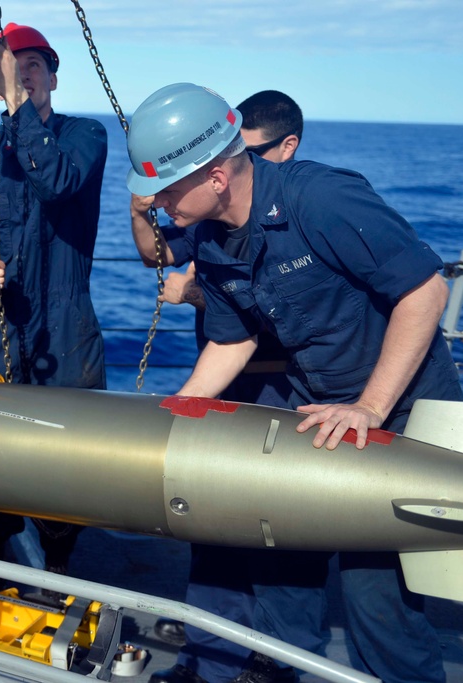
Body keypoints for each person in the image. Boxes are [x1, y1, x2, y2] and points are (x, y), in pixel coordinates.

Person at [126, 82, 462, 683]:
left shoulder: (322, 198)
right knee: (280, 566)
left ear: (216, 178)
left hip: (401, 409)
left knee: (374, 596)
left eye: (167, 188)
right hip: (318, 410)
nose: (155, 205)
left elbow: (425, 290)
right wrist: (180, 407)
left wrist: (371, 406)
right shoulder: (210, 236)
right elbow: (234, 338)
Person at [134, 91, 323, 683]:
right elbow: (162, 254)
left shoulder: (308, 210)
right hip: (226, 384)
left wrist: (193, 293)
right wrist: (144, 213)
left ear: (284, 148)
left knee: (281, 536)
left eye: (253, 151)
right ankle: (211, 654)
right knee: (212, 524)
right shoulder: (215, 222)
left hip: (288, 391)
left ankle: (275, 662)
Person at [0, 22, 107, 584]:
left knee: (68, 464)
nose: (24, 73)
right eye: (13, 65)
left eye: (33, 64)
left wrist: (16, 105)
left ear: (53, 76)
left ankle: (59, 553)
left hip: (65, 332)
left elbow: (58, 181)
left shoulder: (85, 137)